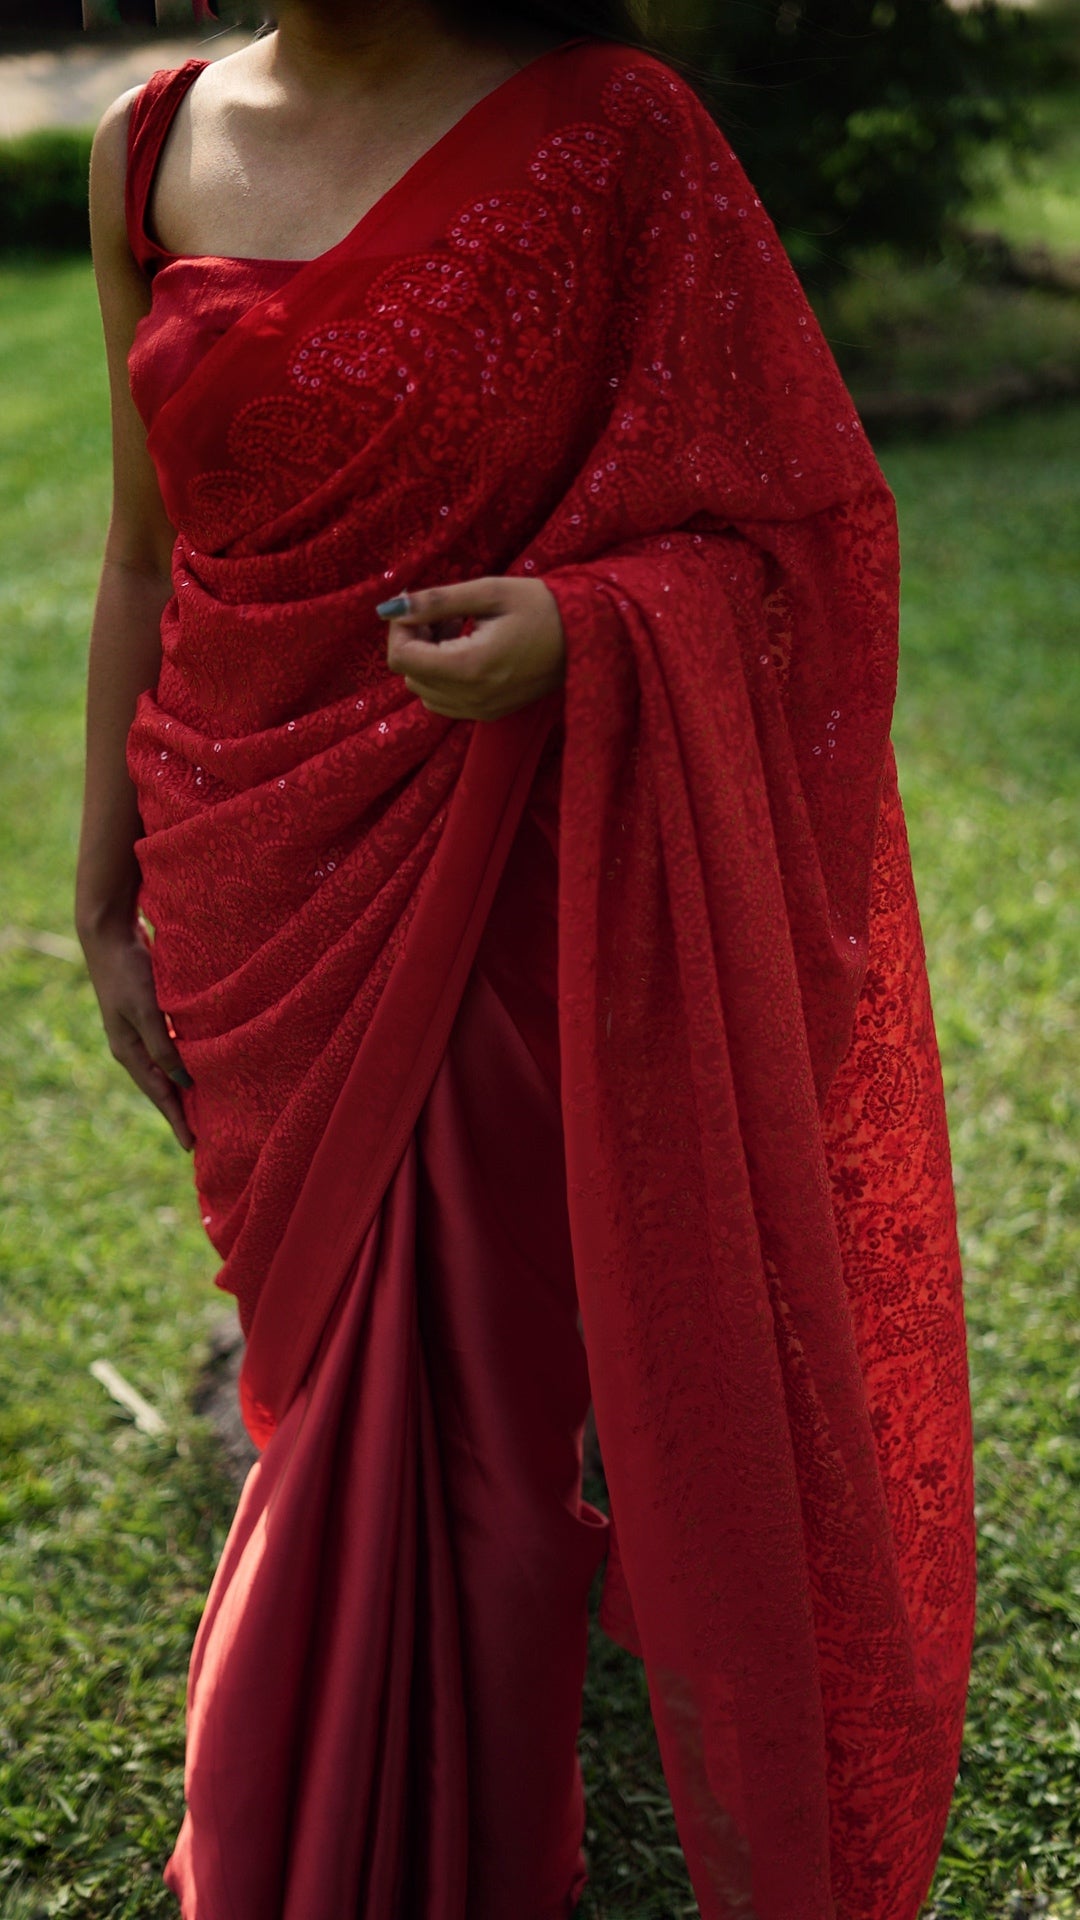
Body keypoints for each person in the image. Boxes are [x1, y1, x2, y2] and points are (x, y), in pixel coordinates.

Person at [75, 1, 977, 1914]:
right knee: (327, 1374)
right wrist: (101, 884)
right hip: (248, 857)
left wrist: (588, 625)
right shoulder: (151, 140)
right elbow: (147, 552)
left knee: (468, 1434)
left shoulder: (608, 134)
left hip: (495, 877)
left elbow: (808, 531)